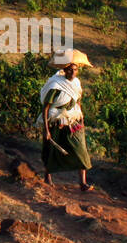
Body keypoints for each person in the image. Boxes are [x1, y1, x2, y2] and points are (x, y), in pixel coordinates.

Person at [39, 49, 94, 191]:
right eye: (69, 70)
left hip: (73, 120)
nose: (72, 72)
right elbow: (46, 108)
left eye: (75, 70)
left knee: (80, 148)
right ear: (65, 70)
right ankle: (47, 177)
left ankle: (82, 182)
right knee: (51, 149)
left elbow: (78, 101)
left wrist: (81, 118)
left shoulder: (76, 84)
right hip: (56, 121)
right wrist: (46, 129)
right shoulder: (56, 85)